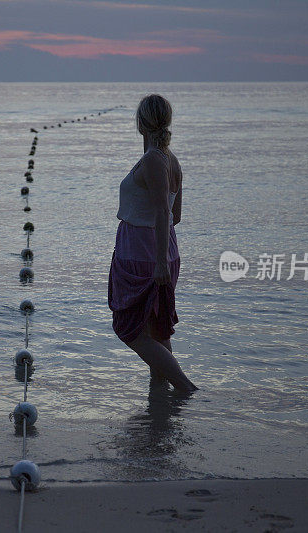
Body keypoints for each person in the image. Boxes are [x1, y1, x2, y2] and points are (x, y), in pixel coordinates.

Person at [108, 94, 198, 393]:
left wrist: (158, 261)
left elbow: (164, 211)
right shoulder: (170, 160)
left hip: (144, 254)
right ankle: (160, 406)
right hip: (160, 249)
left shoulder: (153, 160)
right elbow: (177, 215)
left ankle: (185, 388)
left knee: (129, 329)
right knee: (156, 328)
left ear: (140, 123)